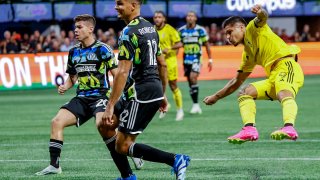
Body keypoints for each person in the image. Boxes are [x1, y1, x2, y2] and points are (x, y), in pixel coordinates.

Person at [35, 14, 142, 178]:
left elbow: (116, 75)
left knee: (103, 125)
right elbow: (73, 76)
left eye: (79, 27)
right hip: (81, 98)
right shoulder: (73, 52)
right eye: (75, 28)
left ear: (90, 29)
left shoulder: (103, 49)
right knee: (56, 122)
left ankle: (129, 149)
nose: (75, 31)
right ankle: (54, 165)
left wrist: (124, 96)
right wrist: (65, 86)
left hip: (101, 96)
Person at [102, 0, 190, 179]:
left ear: (133, 5)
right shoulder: (150, 28)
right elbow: (161, 64)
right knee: (105, 125)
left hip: (140, 93)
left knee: (122, 146)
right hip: (151, 89)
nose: (116, 7)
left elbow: (123, 71)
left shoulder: (128, 32)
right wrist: (162, 93)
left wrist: (110, 105)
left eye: (120, 3)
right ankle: (128, 173)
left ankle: (175, 160)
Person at [203, 4, 304, 144]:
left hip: (287, 65)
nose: (227, 37)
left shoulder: (252, 28)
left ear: (241, 28)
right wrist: (216, 97)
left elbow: (262, 18)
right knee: (245, 92)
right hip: (274, 76)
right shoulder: (248, 55)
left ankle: (289, 127)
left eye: (229, 32)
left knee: (283, 93)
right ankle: (249, 129)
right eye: (225, 34)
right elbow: (236, 82)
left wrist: (261, 12)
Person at [178, 11, 213, 115]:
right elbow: (178, 44)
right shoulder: (181, 31)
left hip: (196, 58)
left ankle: (196, 105)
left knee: (193, 78)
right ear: (186, 18)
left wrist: (210, 59)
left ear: (195, 18)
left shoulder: (200, 30)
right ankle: (195, 104)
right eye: (188, 16)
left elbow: (207, 45)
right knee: (190, 82)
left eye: (192, 16)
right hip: (186, 59)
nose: (190, 18)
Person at [153, 11, 184, 121]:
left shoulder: (170, 29)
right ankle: (163, 107)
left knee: (173, 85)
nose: (157, 19)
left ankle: (180, 110)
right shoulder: (152, 30)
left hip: (170, 62)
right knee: (159, 87)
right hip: (157, 62)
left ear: (164, 19)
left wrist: (169, 48)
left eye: (159, 17)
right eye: (155, 17)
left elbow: (180, 43)